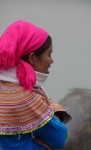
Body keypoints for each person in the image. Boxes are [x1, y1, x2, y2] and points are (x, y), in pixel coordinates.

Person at [0, 20, 71, 150]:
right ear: (32, 57)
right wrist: (52, 113)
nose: (51, 61)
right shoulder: (27, 98)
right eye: (49, 54)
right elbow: (59, 138)